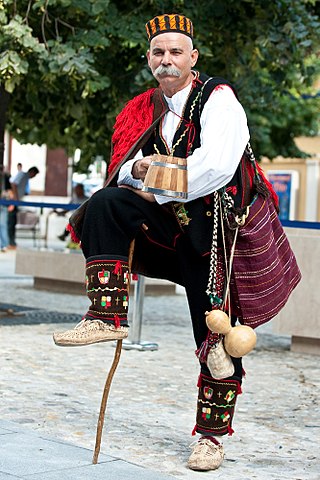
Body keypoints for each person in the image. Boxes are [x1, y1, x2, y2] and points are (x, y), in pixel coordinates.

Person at [53, 14, 300, 471]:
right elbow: (124, 169)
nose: (166, 60)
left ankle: (210, 438)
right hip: (169, 228)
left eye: (175, 52)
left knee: (219, 342)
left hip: (215, 237)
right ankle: (106, 313)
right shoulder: (140, 109)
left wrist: (157, 177)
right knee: (106, 204)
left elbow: (216, 167)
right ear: (149, 58)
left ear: (193, 58)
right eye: (158, 53)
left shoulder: (218, 99)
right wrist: (141, 174)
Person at [8, 166, 39, 248]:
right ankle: (9, 242)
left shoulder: (25, 178)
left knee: (13, 222)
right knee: (11, 222)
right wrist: (16, 198)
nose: (33, 177)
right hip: (13, 201)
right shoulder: (22, 174)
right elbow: (13, 184)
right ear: (32, 172)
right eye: (34, 175)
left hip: (16, 201)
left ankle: (11, 242)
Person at [0, 166, 11, 252]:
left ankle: (4, 244)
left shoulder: (6, 178)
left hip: (3, 203)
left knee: (2, 224)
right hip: (3, 203)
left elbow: (10, 190)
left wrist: (11, 203)